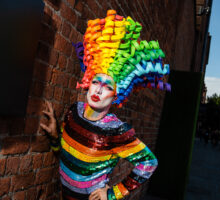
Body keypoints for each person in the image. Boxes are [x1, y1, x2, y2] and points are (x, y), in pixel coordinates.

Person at [40, 10, 170, 200]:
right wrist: (54, 136)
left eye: (107, 86)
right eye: (95, 82)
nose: (98, 90)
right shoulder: (73, 111)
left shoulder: (116, 131)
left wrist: (112, 194)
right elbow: (67, 157)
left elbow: (148, 162)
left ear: (117, 94)